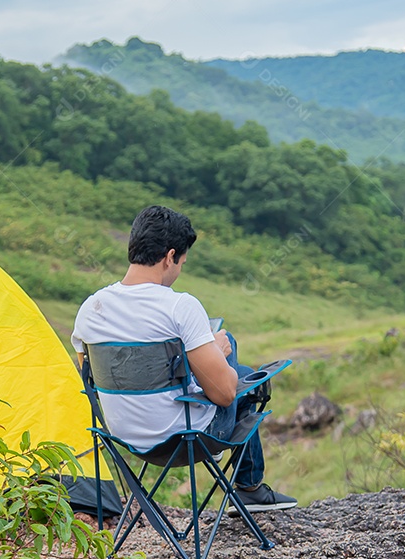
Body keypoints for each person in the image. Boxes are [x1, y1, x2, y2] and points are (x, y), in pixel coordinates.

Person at [72, 205, 297, 514]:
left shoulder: (90, 309)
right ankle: (249, 488)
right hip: (186, 439)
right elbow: (224, 394)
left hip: (123, 438)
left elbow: (94, 378)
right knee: (236, 366)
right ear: (170, 257)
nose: (178, 271)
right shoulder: (180, 307)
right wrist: (217, 349)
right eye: (181, 263)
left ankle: (250, 487)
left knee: (236, 370)